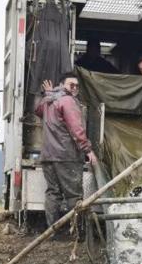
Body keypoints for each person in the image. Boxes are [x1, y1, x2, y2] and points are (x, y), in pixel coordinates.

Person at [35, 73, 97, 229]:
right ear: (62, 85)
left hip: (48, 156)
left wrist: (49, 93)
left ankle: (52, 231)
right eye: (71, 84)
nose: (75, 88)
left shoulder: (49, 100)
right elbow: (77, 129)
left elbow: (37, 110)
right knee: (74, 195)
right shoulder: (68, 101)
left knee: (52, 193)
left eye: (77, 85)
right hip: (66, 156)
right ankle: (77, 232)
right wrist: (88, 150)